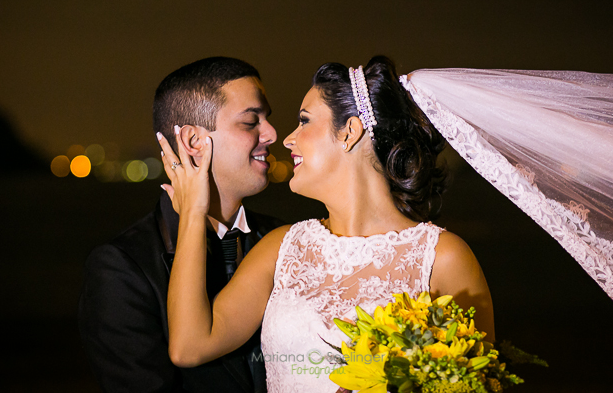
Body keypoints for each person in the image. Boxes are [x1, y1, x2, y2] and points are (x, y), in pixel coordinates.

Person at [159, 56, 494, 392]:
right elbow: (190, 346)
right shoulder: (281, 248)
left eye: (304, 121)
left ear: (349, 132)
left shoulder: (443, 258)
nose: (286, 139)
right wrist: (192, 210)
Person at [79, 57, 282, 393]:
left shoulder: (286, 239)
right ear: (193, 142)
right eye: (250, 122)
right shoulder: (123, 267)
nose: (272, 134)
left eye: (267, 119)